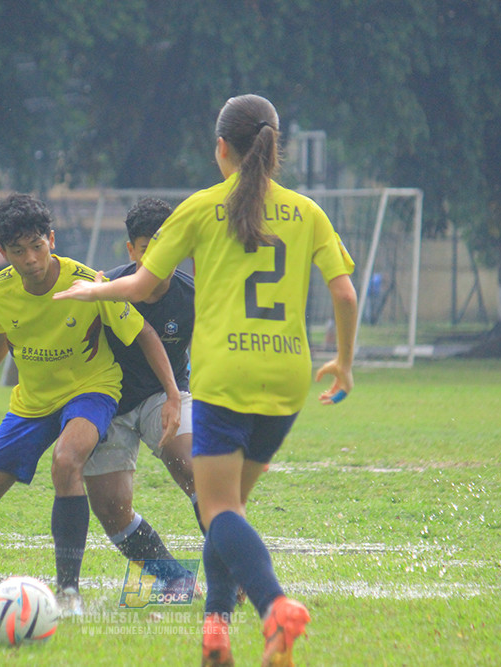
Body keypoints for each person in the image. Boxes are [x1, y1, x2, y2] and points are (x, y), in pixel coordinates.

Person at [54, 94, 358, 667]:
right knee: (229, 506)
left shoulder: (199, 208)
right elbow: (344, 292)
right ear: (274, 146)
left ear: (221, 147)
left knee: (219, 510)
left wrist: (92, 288)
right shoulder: (307, 210)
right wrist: (343, 362)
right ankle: (216, 631)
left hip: (225, 377)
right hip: (288, 378)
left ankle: (274, 610)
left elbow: (143, 286)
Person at [0, 193, 182, 618]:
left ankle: (68, 593)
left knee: (67, 460)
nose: (31, 260)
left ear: (51, 240)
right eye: (18, 251)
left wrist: (172, 393)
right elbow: (0, 337)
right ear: (3, 253)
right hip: (32, 402)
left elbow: (145, 332)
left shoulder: (86, 283)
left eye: (37, 246)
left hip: (91, 389)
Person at [82, 197, 201, 590]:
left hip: (164, 397)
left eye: (167, 246)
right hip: (109, 403)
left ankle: (231, 571)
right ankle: (175, 578)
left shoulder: (192, 297)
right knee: (111, 509)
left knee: (198, 471)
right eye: (147, 248)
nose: (159, 258)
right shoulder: (107, 288)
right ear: (131, 250)